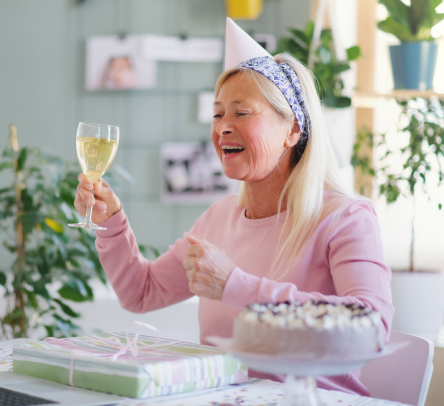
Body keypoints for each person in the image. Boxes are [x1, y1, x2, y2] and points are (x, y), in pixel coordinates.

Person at [73, 18, 393, 397]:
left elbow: (371, 325)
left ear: (293, 130)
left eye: (242, 113)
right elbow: (141, 292)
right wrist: (110, 221)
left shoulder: (346, 219)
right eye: (218, 113)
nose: (223, 127)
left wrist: (234, 285)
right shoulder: (218, 218)